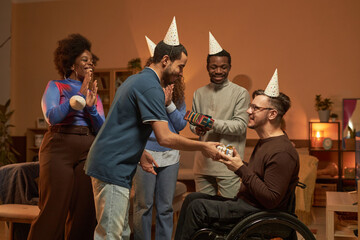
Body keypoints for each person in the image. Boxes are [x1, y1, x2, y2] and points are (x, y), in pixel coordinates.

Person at [84, 17, 220, 240]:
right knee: (110, 235)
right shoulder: (150, 87)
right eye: (180, 66)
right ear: (166, 60)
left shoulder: (139, 80)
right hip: (112, 167)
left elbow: (123, 128)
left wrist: (140, 153)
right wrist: (203, 146)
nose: (181, 72)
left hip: (116, 164)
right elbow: (165, 137)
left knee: (121, 233)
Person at [174, 69, 299, 240]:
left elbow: (271, 199)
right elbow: (260, 178)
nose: (248, 111)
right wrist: (235, 163)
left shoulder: (282, 151)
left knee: (197, 208)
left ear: (272, 114)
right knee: (192, 199)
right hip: (247, 205)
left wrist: (240, 168)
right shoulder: (266, 142)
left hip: (259, 213)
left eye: (255, 107)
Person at [28, 33, 105, 240]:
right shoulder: (55, 86)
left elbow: (101, 128)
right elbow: (52, 117)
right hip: (58, 147)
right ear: (72, 64)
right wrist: (79, 93)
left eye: (91, 60)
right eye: (84, 60)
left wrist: (91, 108)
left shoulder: (93, 93)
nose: (90, 64)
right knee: (53, 208)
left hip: (88, 148)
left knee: (85, 212)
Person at [132, 36, 187, 240]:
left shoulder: (178, 93)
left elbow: (180, 125)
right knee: (143, 206)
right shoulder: (145, 87)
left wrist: (169, 104)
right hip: (145, 153)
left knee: (165, 208)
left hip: (170, 156)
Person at [190, 32, 250, 198]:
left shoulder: (241, 93)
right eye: (213, 67)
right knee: (203, 212)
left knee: (229, 212)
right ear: (207, 67)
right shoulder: (198, 93)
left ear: (229, 67)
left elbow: (240, 126)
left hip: (228, 163)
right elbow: (193, 124)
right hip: (202, 164)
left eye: (223, 67)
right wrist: (197, 129)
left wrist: (210, 123)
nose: (218, 71)